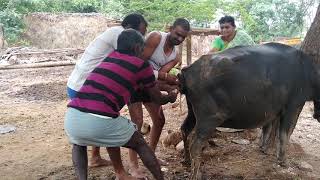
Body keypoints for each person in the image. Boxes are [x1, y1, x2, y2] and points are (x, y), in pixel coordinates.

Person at [65, 29, 178, 180]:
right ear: (138, 47)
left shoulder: (108, 58)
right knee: (139, 143)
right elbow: (156, 97)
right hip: (101, 120)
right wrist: (170, 97)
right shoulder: (141, 65)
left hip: (73, 117)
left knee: (79, 144)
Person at [66, 13, 148, 167]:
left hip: (79, 82)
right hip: (85, 85)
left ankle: (95, 157)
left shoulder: (114, 32)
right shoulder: (119, 35)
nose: (142, 36)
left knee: (96, 119)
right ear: (130, 28)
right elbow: (130, 63)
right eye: (141, 32)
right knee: (108, 120)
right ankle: (120, 172)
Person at [127, 18, 190, 178]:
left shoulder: (175, 56)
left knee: (160, 120)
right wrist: (165, 80)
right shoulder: (156, 37)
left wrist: (172, 88)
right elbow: (139, 63)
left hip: (149, 84)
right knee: (138, 122)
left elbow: (160, 78)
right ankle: (133, 165)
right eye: (177, 34)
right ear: (170, 28)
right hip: (134, 80)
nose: (180, 39)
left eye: (183, 37)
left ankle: (151, 155)